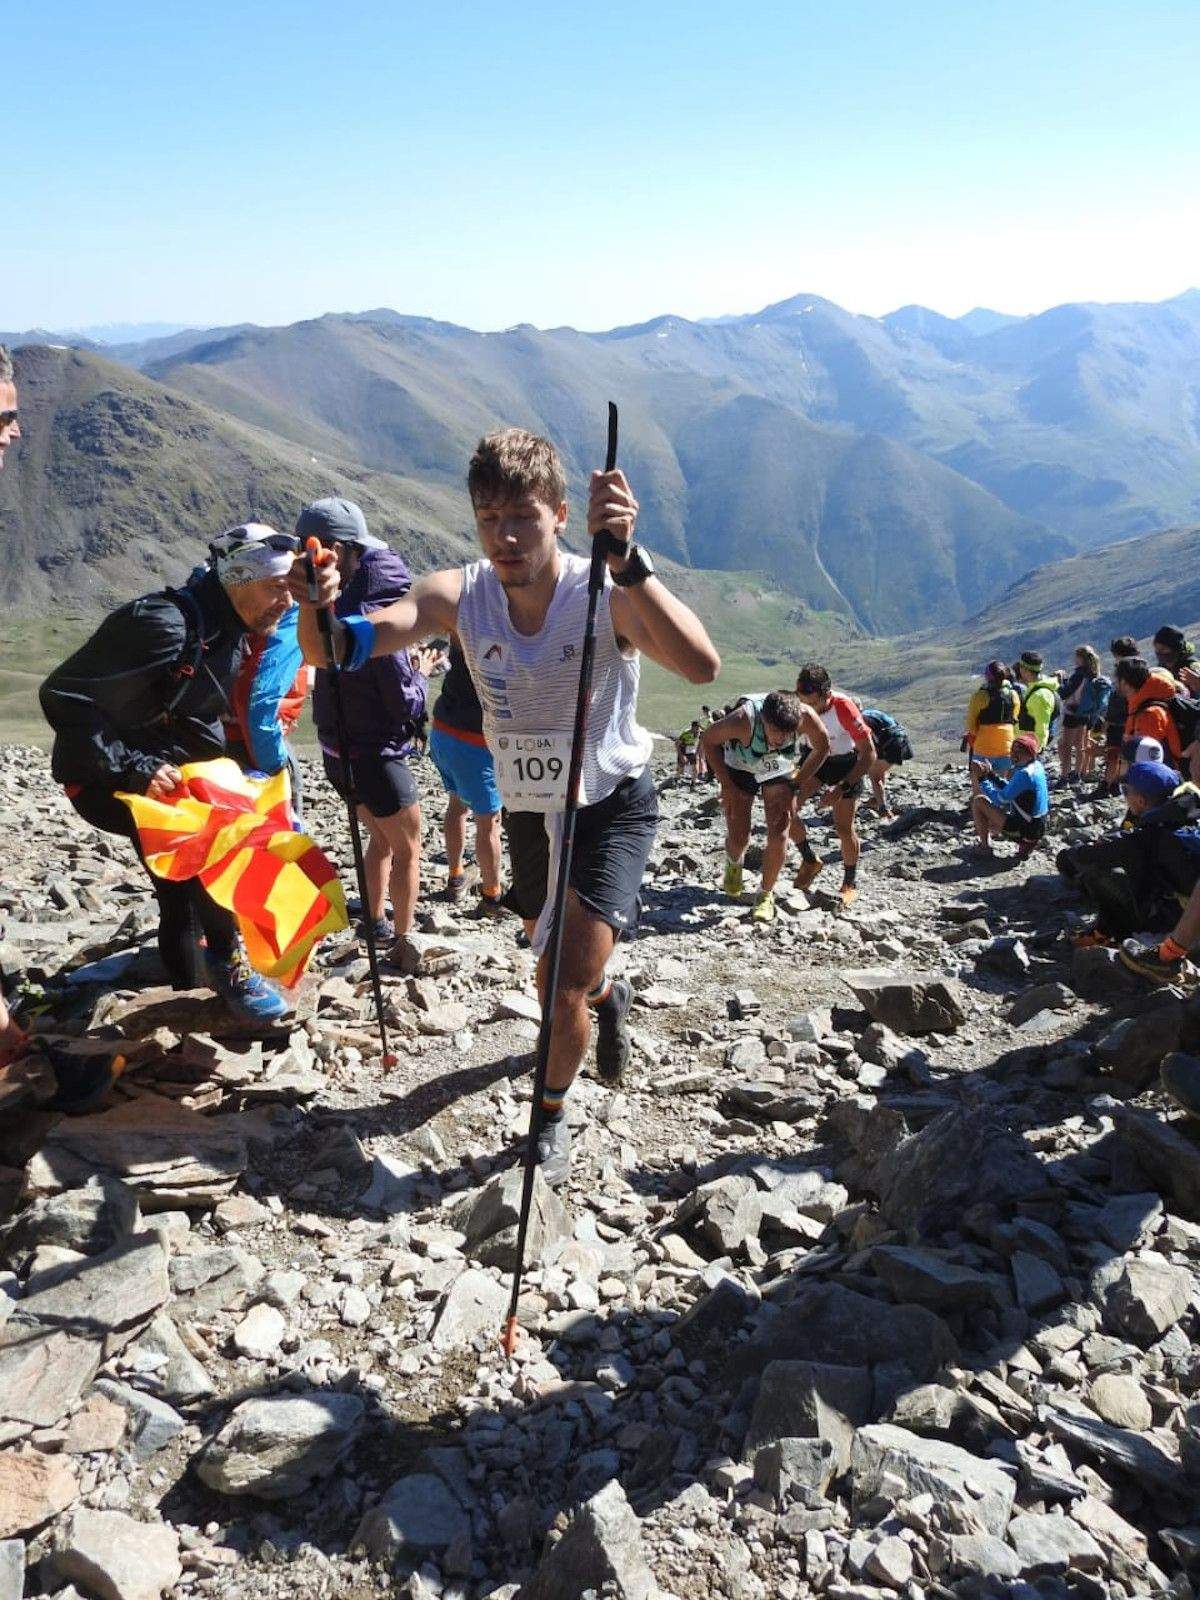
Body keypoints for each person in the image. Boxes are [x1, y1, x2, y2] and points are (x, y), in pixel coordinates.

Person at [291, 428, 719, 1186]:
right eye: (489, 518)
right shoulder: (460, 596)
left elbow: (699, 664)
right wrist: (315, 608)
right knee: (557, 973)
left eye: (522, 516)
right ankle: (604, 993)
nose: (506, 536)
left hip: (611, 805)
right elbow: (336, 649)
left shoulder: (603, 593)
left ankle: (548, 1117)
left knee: (555, 983)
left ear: (560, 513)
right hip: (529, 812)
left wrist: (632, 562)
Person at [40, 524, 297, 1022]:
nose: (283, 603)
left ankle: (189, 981)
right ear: (238, 579)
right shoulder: (165, 625)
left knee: (179, 879)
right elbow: (63, 694)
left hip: (159, 766)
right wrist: (133, 770)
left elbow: (191, 711)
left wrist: (227, 772)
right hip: (103, 776)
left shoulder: (225, 626)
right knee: (206, 844)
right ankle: (227, 964)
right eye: (274, 588)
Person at [299, 498, 434, 946]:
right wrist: (422, 677)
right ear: (343, 550)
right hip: (378, 755)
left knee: (378, 838)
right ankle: (403, 940)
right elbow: (402, 700)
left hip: (337, 753)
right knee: (408, 849)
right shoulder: (375, 619)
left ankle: (374, 921)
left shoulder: (325, 613)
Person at [703, 691, 828, 923]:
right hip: (740, 764)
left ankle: (765, 894)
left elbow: (823, 746)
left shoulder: (806, 716)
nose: (780, 739)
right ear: (764, 720)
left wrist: (798, 783)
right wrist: (726, 784)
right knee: (740, 837)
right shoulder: (742, 720)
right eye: (775, 732)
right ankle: (734, 863)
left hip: (777, 767)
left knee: (780, 830)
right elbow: (708, 740)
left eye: (788, 733)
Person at [1060, 761, 1198, 943]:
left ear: (1141, 800)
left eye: (1126, 791)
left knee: (1099, 874)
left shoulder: (1147, 836)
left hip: (1174, 921)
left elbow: (1080, 857)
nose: (1124, 796)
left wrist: (1077, 852)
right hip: (1189, 910)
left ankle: (1110, 935)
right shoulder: (1188, 815)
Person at [428, 638, 505, 911]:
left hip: (442, 730)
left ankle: (456, 876)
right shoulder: (508, 633)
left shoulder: (464, 623)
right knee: (488, 824)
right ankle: (492, 895)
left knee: (457, 804)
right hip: (474, 742)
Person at [790, 664, 875, 906]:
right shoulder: (798, 703)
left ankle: (849, 882)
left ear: (826, 696)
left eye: (814, 705)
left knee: (843, 828)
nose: (808, 710)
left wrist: (842, 788)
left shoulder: (844, 707)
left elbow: (869, 754)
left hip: (844, 764)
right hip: (814, 756)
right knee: (786, 807)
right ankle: (809, 860)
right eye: (803, 703)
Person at [221, 601, 309, 818]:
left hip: (211, 739)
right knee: (275, 845)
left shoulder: (221, 594)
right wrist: (275, 767)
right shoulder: (288, 608)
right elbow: (260, 701)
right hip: (254, 747)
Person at [969, 733, 1049, 860]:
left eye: (1018, 751)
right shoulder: (1036, 766)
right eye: (1012, 750)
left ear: (1026, 754)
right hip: (1037, 827)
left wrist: (982, 778)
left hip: (1025, 829)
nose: (1012, 754)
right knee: (992, 817)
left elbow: (1000, 799)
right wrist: (990, 775)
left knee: (979, 801)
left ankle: (985, 848)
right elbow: (1011, 790)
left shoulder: (1023, 774)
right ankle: (1026, 845)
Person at [1117, 656, 1183, 764]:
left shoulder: (1150, 714)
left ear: (1124, 682)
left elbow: (1149, 759)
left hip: (1154, 777)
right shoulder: (1141, 704)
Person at [1099, 636, 1141, 797]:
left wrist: (1108, 720)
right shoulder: (1140, 668)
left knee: (1113, 752)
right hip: (1132, 717)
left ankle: (1109, 784)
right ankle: (1118, 782)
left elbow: (1117, 697)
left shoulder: (1123, 670)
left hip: (1118, 719)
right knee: (1126, 754)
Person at [1057, 645, 1104, 787]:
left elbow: (1064, 693)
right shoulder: (1094, 673)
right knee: (1081, 745)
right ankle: (1077, 775)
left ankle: (1064, 777)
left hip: (1072, 712)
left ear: (1080, 658)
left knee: (1066, 746)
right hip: (1085, 714)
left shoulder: (1079, 674)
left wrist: (1060, 681)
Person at [964, 661, 1018, 777]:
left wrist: (976, 734)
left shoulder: (980, 696)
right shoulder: (1013, 695)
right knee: (1002, 784)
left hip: (984, 745)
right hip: (1006, 745)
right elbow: (1014, 717)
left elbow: (971, 723)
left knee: (980, 783)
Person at [860, 705, 913, 819]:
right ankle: (877, 798)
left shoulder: (860, 719)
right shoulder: (871, 712)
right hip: (901, 739)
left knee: (874, 775)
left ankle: (884, 809)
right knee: (879, 770)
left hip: (891, 743)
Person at [1015, 651, 1061, 752]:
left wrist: (1036, 751)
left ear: (1025, 670)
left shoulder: (1040, 696)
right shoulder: (1037, 686)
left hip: (1027, 748)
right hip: (1025, 744)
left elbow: (1042, 727)